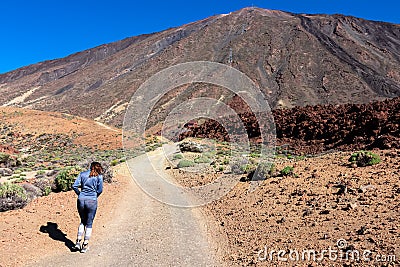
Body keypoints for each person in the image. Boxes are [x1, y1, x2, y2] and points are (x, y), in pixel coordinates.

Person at [72, 162, 103, 253]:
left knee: (82, 221)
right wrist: (94, 196)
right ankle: (85, 245)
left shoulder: (82, 174)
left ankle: (78, 242)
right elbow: (100, 190)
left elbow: (74, 186)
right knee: (89, 223)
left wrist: (80, 194)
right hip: (92, 200)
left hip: (81, 200)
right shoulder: (99, 177)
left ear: (90, 167)